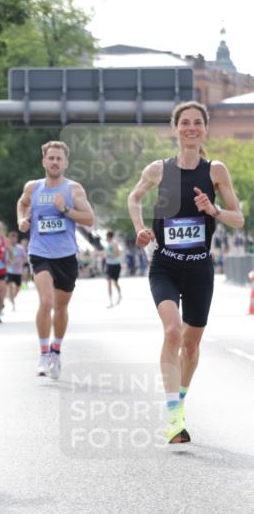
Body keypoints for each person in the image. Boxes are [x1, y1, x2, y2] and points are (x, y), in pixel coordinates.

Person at [127, 100, 244, 444]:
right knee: (173, 331)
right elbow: (134, 199)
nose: (191, 127)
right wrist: (139, 229)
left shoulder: (215, 171)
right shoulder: (159, 170)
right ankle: (172, 415)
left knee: (191, 348)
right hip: (164, 264)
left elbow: (238, 220)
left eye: (197, 122)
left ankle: (181, 397)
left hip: (199, 269)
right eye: (185, 122)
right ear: (175, 128)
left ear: (204, 128)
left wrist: (214, 209)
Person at [16, 141, 95, 379]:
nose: (54, 162)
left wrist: (66, 211)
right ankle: (42, 353)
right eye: (51, 158)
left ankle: (56, 351)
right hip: (40, 251)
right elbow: (22, 203)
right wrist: (21, 219)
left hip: (66, 255)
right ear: (44, 161)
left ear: (65, 163)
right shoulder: (33, 187)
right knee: (47, 301)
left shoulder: (73, 190)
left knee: (60, 307)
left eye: (59, 159)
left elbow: (90, 219)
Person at [5, 230, 27, 309]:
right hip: (9, 270)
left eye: (14, 238)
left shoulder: (20, 248)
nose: (13, 240)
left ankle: (11, 298)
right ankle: (12, 302)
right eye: (11, 238)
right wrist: (8, 261)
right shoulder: (7, 248)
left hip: (18, 271)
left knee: (17, 289)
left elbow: (25, 258)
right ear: (9, 239)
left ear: (17, 239)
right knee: (10, 286)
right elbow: (4, 258)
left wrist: (21, 262)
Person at [104, 230, 123, 307]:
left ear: (109, 236)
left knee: (115, 282)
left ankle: (119, 295)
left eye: (106, 236)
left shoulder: (114, 243)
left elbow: (117, 253)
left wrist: (108, 255)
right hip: (109, 265)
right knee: (108, 282)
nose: (106, 238)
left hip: (115, 265)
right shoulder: (107, 244)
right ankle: (110, 301)